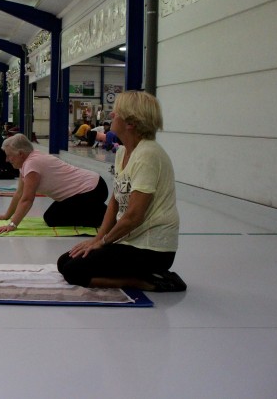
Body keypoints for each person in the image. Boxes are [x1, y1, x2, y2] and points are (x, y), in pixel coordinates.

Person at [58, 91, 185, 292]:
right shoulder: (123, 152)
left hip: (151, 249)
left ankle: (147, 281)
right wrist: (98, 239)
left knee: (74, 271)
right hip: (129, 241)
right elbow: (115, 201)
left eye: (116, 113)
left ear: (131, 124)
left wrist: (104, 242)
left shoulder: (148, 155)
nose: (111, 116)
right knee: (65, 261)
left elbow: (134, 215)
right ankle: (138, 274)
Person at [0, 134, 108, 233]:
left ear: (20, 154)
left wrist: (12, 225)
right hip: (91, 187)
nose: (7, 159)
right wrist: (7, 216)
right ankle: (99, 210)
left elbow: (27, 199)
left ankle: (105, 215)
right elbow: (19, 193)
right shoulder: (26, 163)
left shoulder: (32, 164)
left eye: (9, 155)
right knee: (51, 216)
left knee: (52, 218)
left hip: (93, 189)